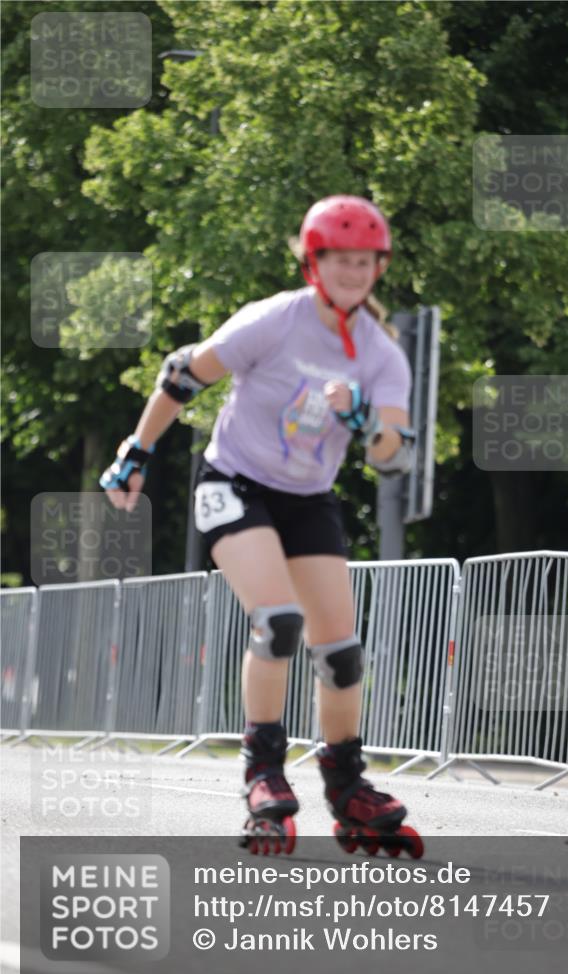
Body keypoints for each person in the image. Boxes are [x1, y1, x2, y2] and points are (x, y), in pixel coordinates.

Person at [100, 195, 423, 858]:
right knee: (277, 620)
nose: (354, 273)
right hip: (233, 483)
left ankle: (344, 785)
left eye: (365, 262)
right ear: (314, 262)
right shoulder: (275, 319)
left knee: (340, 652)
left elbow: (396, 455)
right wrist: (135, 452)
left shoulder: (380, 354)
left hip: (306, 500)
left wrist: (363, 418)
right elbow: (182, 375)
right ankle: (263, 772)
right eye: (341, 261)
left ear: (378, 267)